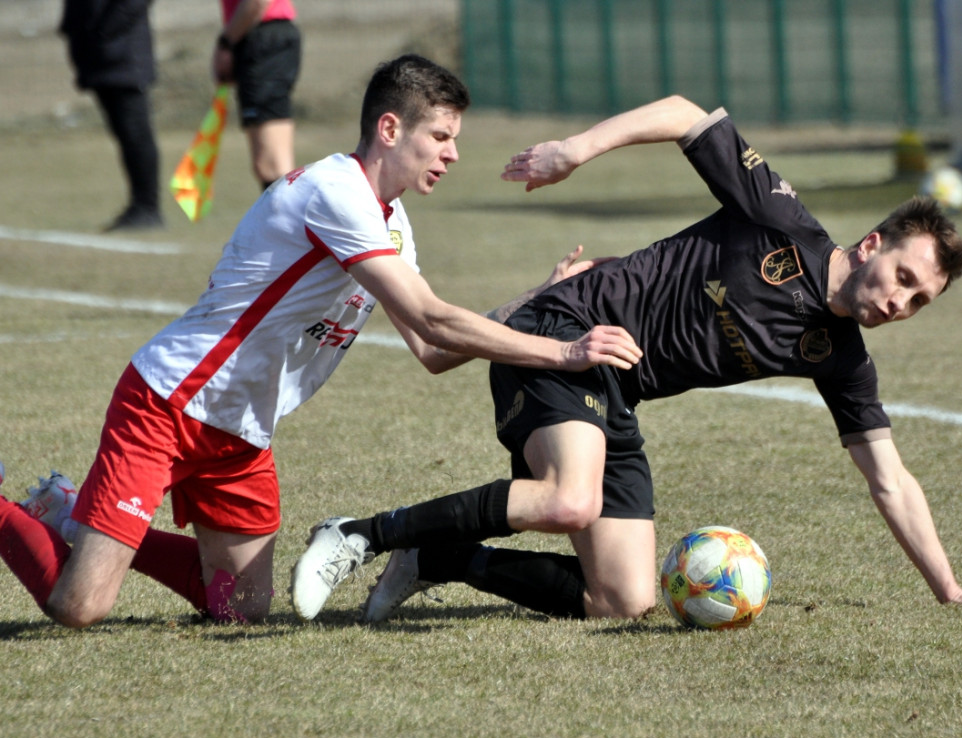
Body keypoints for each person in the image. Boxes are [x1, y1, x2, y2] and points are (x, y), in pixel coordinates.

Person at [290, 94, 962, 624]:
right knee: (569, 498)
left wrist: (950, 589)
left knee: (624, 601)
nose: (900, 302)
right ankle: (360, 534)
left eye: (918, 300)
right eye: (903, 277)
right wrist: (573, 151)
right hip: (562, 332)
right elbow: (685, 114)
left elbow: (890, 479)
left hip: (615, 394)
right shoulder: (782, 222)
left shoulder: (841, 359)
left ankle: (440, 557)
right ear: (872, 246)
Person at [0, 55, 641, 629]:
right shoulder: (335, 192)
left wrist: (536, 297)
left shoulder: (392, 223)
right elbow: (433, 318)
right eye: (440, 137)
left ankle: (70, 513)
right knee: (78, 606)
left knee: (240, 608)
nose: (451, 154)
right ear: (391, 129)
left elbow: (435, 352)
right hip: (170, 402)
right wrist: (564, 351)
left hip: (243, 430)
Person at [60, 0, 163, 231]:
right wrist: (72, 29)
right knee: (124, 135)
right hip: (97, 55)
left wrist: (103, 32)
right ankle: (139, 205)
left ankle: (147, 207)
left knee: (135, 134)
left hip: (124, 55)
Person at [212, 0, 301, 189]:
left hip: (263, 40)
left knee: (272, 163)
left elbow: (257, 2)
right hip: (258, 38)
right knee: (266, 164)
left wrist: (226, 43)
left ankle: (287, 218)